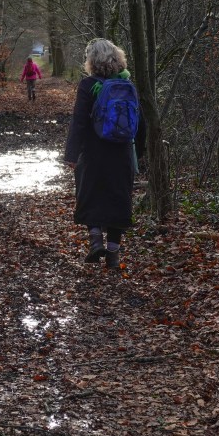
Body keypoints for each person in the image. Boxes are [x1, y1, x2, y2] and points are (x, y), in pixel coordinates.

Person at [64, 38, 137, 270]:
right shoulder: (127, 84)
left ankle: (96, 241)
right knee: (119, 199)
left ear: (91, 60)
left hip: (93, 151)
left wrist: (71, 154)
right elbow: (140, 121)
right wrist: (140, 151)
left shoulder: (88, 85)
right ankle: (113, 254)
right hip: (122, 151)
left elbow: (79, 122)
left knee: (90, 195)